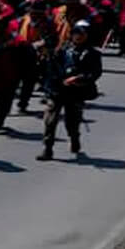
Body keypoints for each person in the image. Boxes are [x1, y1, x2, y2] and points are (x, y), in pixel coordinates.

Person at [37, 21, 103, 161]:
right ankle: (47, 148)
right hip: (58, 91)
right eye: (75, 34)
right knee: (50, 120)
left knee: (72, 122)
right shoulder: (62, 50)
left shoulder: (92, 54)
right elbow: (51, 69)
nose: (77, 37)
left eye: (81, 34)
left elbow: (95, 73)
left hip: (76, 93)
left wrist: (79, 78)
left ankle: (74, 138)